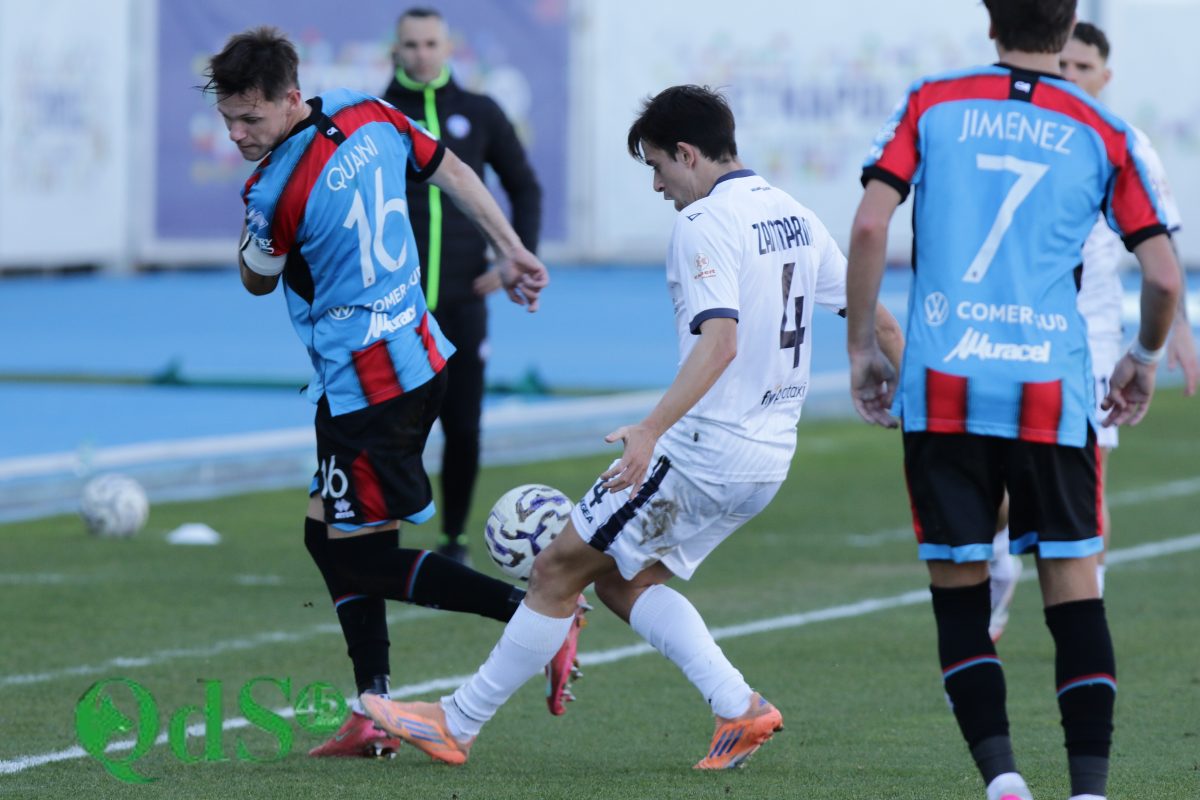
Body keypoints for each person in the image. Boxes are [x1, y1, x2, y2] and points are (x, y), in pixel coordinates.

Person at [360, 85, 904, 768]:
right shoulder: (792, 214)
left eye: (657, 166)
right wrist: (914, 399)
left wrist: (650, 430)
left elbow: (720, 342)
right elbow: (877, 316)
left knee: (557, 568)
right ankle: (737, 707)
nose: (655, 185)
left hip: (704, 449)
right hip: (768, 456)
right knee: (619, 576)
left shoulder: (706, 222)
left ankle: (456, 722)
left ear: (688, 152)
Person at [202, 26, 580, 760]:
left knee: (361, 558)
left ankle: (539, 616)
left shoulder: (275, 189)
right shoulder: (368, 111)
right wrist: (513, 246)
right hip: (413, 354)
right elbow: (454, 171)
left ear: (289, 97)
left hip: (369, 388)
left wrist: (252, 239)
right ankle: (371, 706)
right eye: (228, 122)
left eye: (251, 119)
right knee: (326, 534)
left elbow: (257, 279)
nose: (239, 135)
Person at [845, 1, 1182, 799]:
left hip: (946, 386)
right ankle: (1091, 790)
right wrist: (1144, 354)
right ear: (1068, 30)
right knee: (1074, 589)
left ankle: (1003, 783)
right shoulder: (1101, 128)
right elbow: (1165, 275)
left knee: (961, 596)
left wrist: (862, 346)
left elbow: (867, 230)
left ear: (990, 21)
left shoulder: (931, 100)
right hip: (1050, 388)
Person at [987, 20, 1199, 639]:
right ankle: (1002, 561)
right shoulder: (1019, 128)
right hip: (1009, 329)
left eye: (1085, 68)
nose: (1071, 74)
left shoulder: (1124, 142)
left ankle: (1087, 621)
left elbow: (1159, 247)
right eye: (1065, 64)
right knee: (994, 475)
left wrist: (1174, 330)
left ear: (1105, 77)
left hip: (1092, 338)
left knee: (1086, 481)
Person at [382, 7, 543, 566]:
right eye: (411, 44)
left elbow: (525, 188)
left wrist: (512, 261)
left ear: (449, 48)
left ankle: (452, 538)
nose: (421, 54)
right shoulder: (375, 117)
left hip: (462, 300)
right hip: (392, 304)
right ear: (395, 51)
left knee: (463, 425)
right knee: (389, 426)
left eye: (430, 43)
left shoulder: (479, 112)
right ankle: (380, 538)